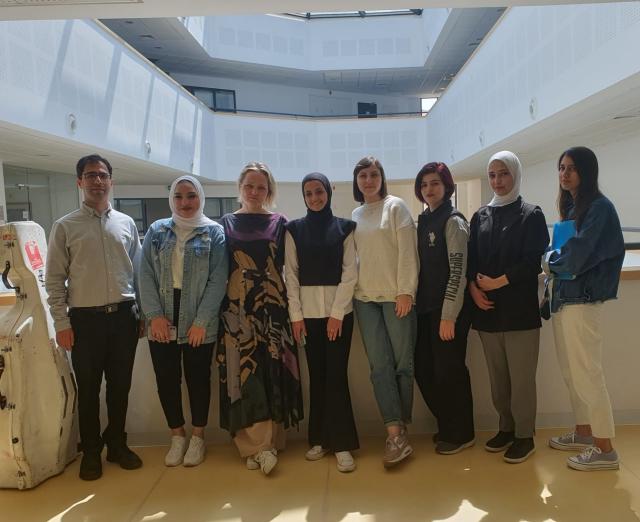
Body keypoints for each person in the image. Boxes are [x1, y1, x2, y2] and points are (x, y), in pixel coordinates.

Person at [46, 154, 143, 481]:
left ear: (111, 181)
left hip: (124, 318)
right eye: (90, 176)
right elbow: (55, 280)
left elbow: (138, 273)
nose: (97, 181)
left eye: (102, 175)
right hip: (84, 321)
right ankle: (91, 451)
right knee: (88, 390)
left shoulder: (127, 223)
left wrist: (142, 313)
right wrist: (62, 323)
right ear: (80, 182)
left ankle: (117, 444)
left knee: (120, 387)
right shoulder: (64, 226)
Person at [216, 161, 303, 476]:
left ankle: (265, 446)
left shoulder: (281, 223)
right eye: (249, 186)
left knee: (269, 374)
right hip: (237, 311)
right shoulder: (224, 223)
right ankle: (254, 446)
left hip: (273, 309)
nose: (255, 192)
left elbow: (290, 271)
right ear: (240, 187)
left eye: (261, 187)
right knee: (242, 377)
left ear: (269, 191)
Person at [139, 175, 228, 468]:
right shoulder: (156, 230)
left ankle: (198, 437)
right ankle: (177, 435)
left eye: (191, 195)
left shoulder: (213, 233)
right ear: (171, 199)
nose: (185, 202)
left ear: (200, 197)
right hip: (162, 315)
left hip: (199, 317)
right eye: (179, 196)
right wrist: (154, 317)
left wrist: (202, 321)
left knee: (198, 379)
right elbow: (146, 275)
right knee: (166, 379)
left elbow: (218, 279)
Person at [544, 146, 624, 471]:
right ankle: (584, 432)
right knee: (571, 373)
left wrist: (550, 262)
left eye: (572, 168)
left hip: (583, 300)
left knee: (588, 373)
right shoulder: (574, 208)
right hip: (564, 299)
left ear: (586, 172)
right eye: (561, 167)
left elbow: (575, 256)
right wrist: (555, 263)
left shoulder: (600, 209)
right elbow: (563, 257)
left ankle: (605, 449)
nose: (565, 174)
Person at [468, 150, 549, 464]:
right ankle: (506, 428)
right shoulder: (480, 216)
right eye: (492, 175)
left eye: (503, 174)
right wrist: (475, 290)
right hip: (487, 312)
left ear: (515, 175)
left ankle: (524, 435)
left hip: (520, 314)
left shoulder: (532, 214)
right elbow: (472, 260)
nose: (498, 181)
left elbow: (533, 264)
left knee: (521, 380)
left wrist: (498, 281)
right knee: (498, 379)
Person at [284, 172, 359, 473]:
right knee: (317, 377)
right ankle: (319, 439)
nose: (315, 198)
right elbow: (291, 274)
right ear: (303, 197)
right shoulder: (293, 229)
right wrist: (296, 316)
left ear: (329, 192)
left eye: (319, 192)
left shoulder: (345, 228)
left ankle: (341, 443)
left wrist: (337, 314)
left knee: (336, 378)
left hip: (339, 317)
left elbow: (349, 273)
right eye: (309, 193)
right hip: (307, 318)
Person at [351, 156, 419, 468]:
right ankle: (394, 432)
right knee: (379, 367)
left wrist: (406, 291)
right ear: (357, 180)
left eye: (374, 174)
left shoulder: (396, 207)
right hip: (364, 300)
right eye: (363, 175)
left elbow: (408, 253)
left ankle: (401, 427)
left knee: (402, 365)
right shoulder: (356, 214)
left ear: (382, 177)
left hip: (396, 297)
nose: (368, 180)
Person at [413, 162, 475, 455]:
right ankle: (449, 424)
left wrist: (449, 316)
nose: (429, 189)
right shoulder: (424, 220)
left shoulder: (453, 221)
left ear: (446, 186)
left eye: (435, 183)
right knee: (425, 369)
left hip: (449, 311)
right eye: (424, 184)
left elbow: (458, 271)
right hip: (425, 309)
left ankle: (461, 433)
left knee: (449, 372)